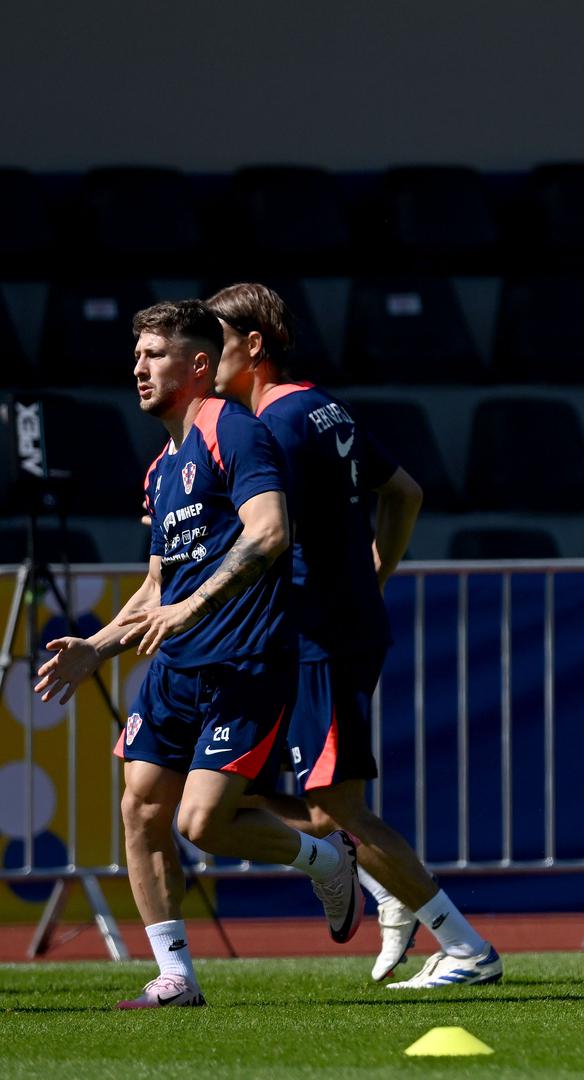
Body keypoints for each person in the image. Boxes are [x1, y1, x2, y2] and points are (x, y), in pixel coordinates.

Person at [34, 300, 362, 1008]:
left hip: (244, 660)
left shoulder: (233, 431)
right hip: (176, 670)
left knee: (201, 823)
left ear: (198, 365)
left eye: (153, 355)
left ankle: (326, 860)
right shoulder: (161, 468)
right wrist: (96, 645)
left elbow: (270, 531)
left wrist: (193, 606)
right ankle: (175, 975)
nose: (138, 369)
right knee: (140, 806)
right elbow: (158, 584)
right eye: (136, 357)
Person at [206, 283, 502, 987]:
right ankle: (386, 889)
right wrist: (377, 572)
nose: (202, 360)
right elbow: (405, 492)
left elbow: (263, 536)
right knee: (225, 797)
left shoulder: (273, 425)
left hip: (317, 638)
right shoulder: (321, 406)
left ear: (253, 346)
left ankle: (465, 948)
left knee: (335, 807)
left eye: (213, 343)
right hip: (325, 629)